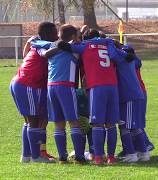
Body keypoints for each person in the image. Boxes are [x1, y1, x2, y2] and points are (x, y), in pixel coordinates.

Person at [57, 29, 133, 165]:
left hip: (97, 87)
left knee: (97, 123)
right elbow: (127, 56)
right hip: (112, 86)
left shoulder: (85, 45)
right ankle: (111, 157)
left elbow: (63, 46)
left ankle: (98, 157)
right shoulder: (108, 44)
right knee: (111, 124)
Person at [32, 24, 85, 164]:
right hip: (66, 86)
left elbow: (39, 48)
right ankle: (79, 157)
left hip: (51, 87)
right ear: (73, 37)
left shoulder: (50, 46)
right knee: (74, 122)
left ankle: (62, 157)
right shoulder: (73, 49)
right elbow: (82, 48)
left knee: (59, 123)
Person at [9, 22, 58, 163]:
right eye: (55, 33)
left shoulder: (38, 43)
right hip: (28, 84)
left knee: (30, 121)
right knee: (34, 121)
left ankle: (26, 156)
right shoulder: (44, 45)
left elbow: (27, 53)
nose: (57, 36)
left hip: (21, 83)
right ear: (48, 35)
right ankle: (36, 157)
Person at [110, 44, 150, 162]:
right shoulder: (132, 61)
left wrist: (109, 43)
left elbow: (112, 54)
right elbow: (138, 61)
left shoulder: (121, 60)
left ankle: (131, 154)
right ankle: (144, 152)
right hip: (134, 95)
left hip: (128, 96)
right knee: (134, 127)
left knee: (125, 126)